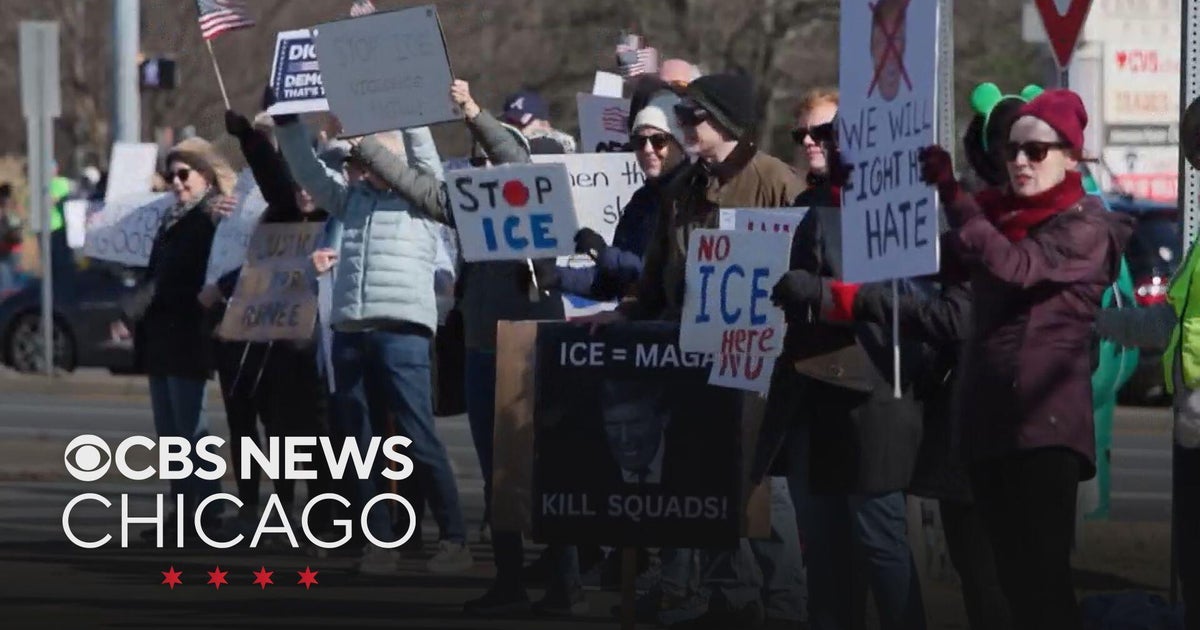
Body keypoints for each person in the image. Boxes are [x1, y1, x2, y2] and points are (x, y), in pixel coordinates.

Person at [584, 72, 805, 629]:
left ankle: (786, 603)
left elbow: (807, 266)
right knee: (704, 480)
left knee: (761, 485)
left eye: (692, 116)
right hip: (693, 356)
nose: (682, 125)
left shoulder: (776, 181)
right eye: (680, 115)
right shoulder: (682, 190)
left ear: (726, 122)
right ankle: (730, 596)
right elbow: (657, 274)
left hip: (759, 361)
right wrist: (626, 311)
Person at [917, 88, 1134, 628]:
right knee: (1006, 582)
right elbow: (939, 259)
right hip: (990, 424)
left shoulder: (1087, 226)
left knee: (1041, 587)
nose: (1019, 162)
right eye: (1011, 150)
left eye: (1035, 151)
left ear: (1070, 155)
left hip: (1044, 429)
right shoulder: (999, 216)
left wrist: (952, 194)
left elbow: (1016, 267)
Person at [273, 104, 473, 576]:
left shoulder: (422, 198)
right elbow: (307, 172)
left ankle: (454, 539)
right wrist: (287, 125)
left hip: (403, 332)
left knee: (418, 437)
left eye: (365, 160)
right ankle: (379, 541)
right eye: (356, 163)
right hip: (350, 331)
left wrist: (405, 102)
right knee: (358, 446)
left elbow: (422, 153)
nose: (359, 169)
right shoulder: (351, 201)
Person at [759, 86, 927, 630]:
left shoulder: (901, 207)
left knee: (879, 542)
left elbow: (913, 303)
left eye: (826, 132)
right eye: (802, 134)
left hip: (871, 400)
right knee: (824, 547)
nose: (812, 142)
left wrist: (822, 292)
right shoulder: (804, 208)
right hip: (808, 395)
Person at [449, 79, 585, 619]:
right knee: (495, 476)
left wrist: (473, 113)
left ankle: (566, 582)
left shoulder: (532, 199)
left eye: (490, 156)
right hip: (481, 349)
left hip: (530, 349)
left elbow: (513, 158)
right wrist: (368, 143)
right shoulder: (467, 210)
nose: (484, 165)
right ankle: (508, 581)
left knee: (545, 468)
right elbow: (416, 184)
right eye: (476, 159)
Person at [198, 104, 336, 540]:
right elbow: (273, 180)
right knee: (281, 430)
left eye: (312, 184)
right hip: (276, 338)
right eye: (298, 185)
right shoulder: (280, 213)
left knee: (321, 434)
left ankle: (326, 516)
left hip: (322, 340)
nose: (304, 192)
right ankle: (280, 509)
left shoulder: (335, 216)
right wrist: (249, 138)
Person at [112, 136, 235, 541]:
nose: (177, 183)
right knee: (170, 435)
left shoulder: (210, 217)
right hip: (160, 336)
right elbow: (154, 274)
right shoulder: (171, 219)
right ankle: (183, 511)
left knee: (190, 429)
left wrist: (132, 310)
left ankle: (206, 510)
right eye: (171, 176)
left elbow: (171, 278)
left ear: (205, 177)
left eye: (185, 174)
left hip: (187, 332)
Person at [549, 88, 689, 301]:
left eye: (659, 140)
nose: (647, 149)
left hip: (673, 317)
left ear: (680, 145)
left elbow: (660, 275)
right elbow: (608, 283)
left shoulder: (691, 195)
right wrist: (554, 276)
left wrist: (603, 253)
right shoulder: (641, 200)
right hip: (639, 315)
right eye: (639, 142)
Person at [500, 89, 578, 153]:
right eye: (511, 123)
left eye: (521, 124)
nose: (515, 128)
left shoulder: (556, 145)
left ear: (543, 124)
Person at [0, 183, 22, 292]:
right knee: (9, 282)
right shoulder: (14, 209)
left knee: (8, 283)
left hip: (10, 250)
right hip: (11, 250)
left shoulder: (11, 211)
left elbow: (16, 231)